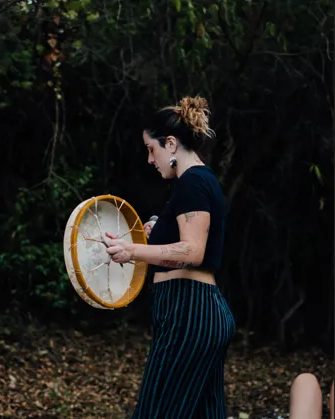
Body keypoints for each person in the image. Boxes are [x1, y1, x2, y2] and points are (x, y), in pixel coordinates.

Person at [106, 96, 236, 418]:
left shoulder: (192, 182)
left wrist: (132, 251)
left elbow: (192, 251)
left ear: (172, 144)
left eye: (152, 149)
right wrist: (157, 231)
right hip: (194, 312)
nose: (150, 159)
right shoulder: (197, 183)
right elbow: (185, 241)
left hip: (189, 313)